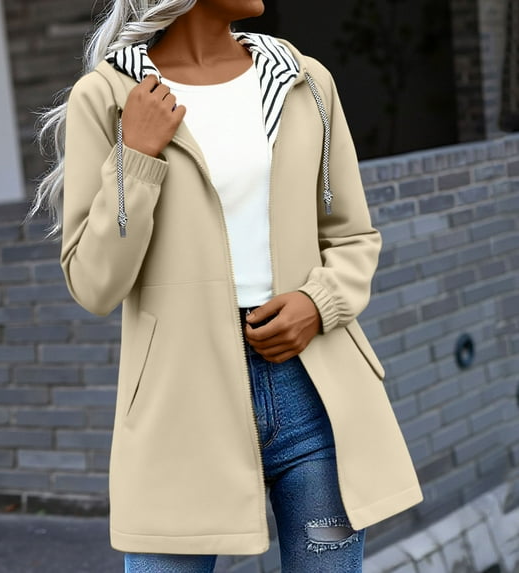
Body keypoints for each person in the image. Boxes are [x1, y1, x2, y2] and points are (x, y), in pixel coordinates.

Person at [29, 1, 423, 571]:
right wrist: (135, 156)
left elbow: (352, 236)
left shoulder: (305, 83)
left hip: (313, 400)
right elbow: (94, 283)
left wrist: (318, 303)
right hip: (180, 412)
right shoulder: (110, 97)